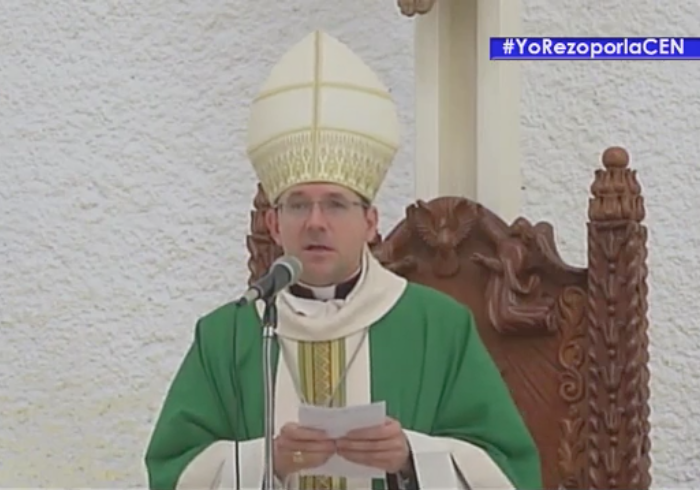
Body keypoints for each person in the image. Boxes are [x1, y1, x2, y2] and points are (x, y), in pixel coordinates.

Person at [144, 30, 542, 490]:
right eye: (297, 204)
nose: (316, 222)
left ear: (370, 223)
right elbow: (170, 473)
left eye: (335, 203)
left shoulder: (440, 327)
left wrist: (411, 456)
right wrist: (266, 460)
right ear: (275, 224)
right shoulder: (227, 336)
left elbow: (510, 472)